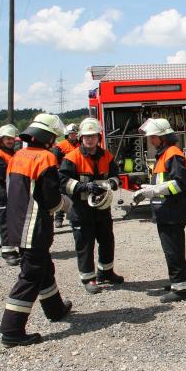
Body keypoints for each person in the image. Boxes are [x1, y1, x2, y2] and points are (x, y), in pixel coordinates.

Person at [0, 113, 73, 347]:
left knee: (43, 268)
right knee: (31, 275)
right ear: (49, 137)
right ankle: (12, 330)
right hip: (33, 227)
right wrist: (66, 204)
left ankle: (55, 309)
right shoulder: (45, 158)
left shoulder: (18, 156)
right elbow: (50, 200)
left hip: (17, 223)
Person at [59, 118, 123, 294]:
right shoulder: (71, 158)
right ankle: (88, 278)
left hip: (102, 208)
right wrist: (84, 187)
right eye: (86, 136)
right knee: (85, 244)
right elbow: (63, 182)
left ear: (98, 137)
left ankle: (106, 272)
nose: (90, 139)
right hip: (80, 210)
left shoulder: (106, 156)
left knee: (107, 241)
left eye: (93, 136)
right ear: (81, 138)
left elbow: (116, 176)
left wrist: (111, 182)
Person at [133, 118, 186, 303]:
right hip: (166, 212)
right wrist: (147, 190)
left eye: (153, 137)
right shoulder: (165, 153)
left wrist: (153, 191)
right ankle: (176, 283)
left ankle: (180, 290)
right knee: (171, 250)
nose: (150, 140)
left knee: (174, 251)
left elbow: (179, 183)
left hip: (172, 213)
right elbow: (163, 183)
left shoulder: (172, 154)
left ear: (162, 137)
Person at [0, 124, 20, 266]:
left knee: (13, 223)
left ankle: (13, 249)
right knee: (5, 224)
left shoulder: (12, 154)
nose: (10, 141)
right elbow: (2, 175)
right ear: (1, 139)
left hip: (11, 194)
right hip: (0, 195)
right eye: (7, 138)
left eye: (12, 139)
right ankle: (7, 252)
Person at [52, 124, 80, 228]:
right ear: (67, 134)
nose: (73, 135)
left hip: (77, 174)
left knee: (76, 198)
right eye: (71, 134)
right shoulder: (61, 146)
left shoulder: (80, 145)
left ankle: (72, 218)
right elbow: (54, 160)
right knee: (63, 197)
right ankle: (58, 219)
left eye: (75, 133)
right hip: (64, 175)